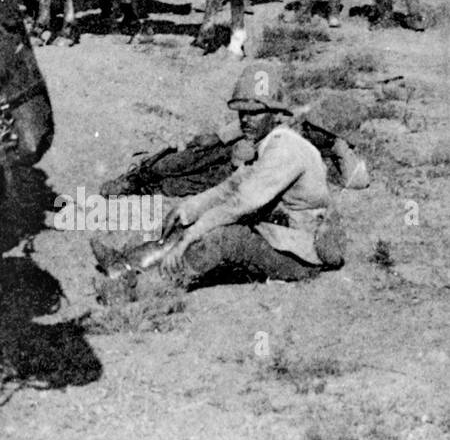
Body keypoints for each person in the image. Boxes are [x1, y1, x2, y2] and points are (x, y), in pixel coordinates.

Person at [94, 61, 342, 290]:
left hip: (302, 256)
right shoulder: (267, 143)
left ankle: (150, 289)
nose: (246, 119)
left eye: (255, 113)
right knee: (194, 220)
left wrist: (192, 234)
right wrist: (190, 208)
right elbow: (230, 186)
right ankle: (125, 265)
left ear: (276, 114)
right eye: (242, 112)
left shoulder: (286, 148)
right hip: (279, 235)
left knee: (223, 237)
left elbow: (239, 203)